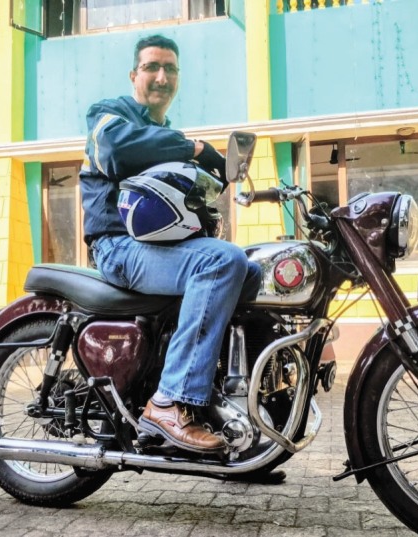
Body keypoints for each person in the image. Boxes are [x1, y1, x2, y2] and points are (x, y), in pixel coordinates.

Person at [79, 35, 261, 454]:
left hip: (157, 248)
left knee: (252, 272)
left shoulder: (166, 134)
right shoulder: (109, 116)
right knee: (220, 263)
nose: (162, 77)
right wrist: (193, 148)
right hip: (117, 246)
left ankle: (224, 403)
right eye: (152, 67)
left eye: (171, 69)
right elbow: (116, 150)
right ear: (134, 74)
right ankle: (169, 402)